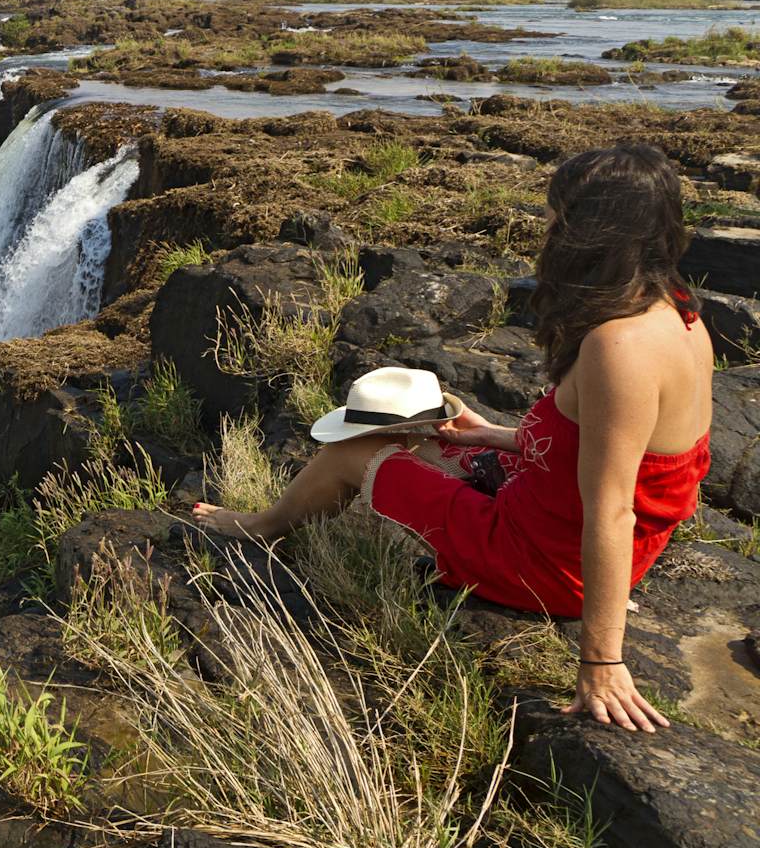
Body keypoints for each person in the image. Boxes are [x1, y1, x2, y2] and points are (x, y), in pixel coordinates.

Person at [192, 144, 713, 734]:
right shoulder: (680, 315)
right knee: (428, 437)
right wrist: (488, 434)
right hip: (564, 531)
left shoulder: (618, 350)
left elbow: (613, 508)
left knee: (352, 450)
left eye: (556, 216)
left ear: (589, 233)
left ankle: (259, 528)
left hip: (540, 563)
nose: (546, 228)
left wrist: (601, 659)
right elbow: (619, 454)